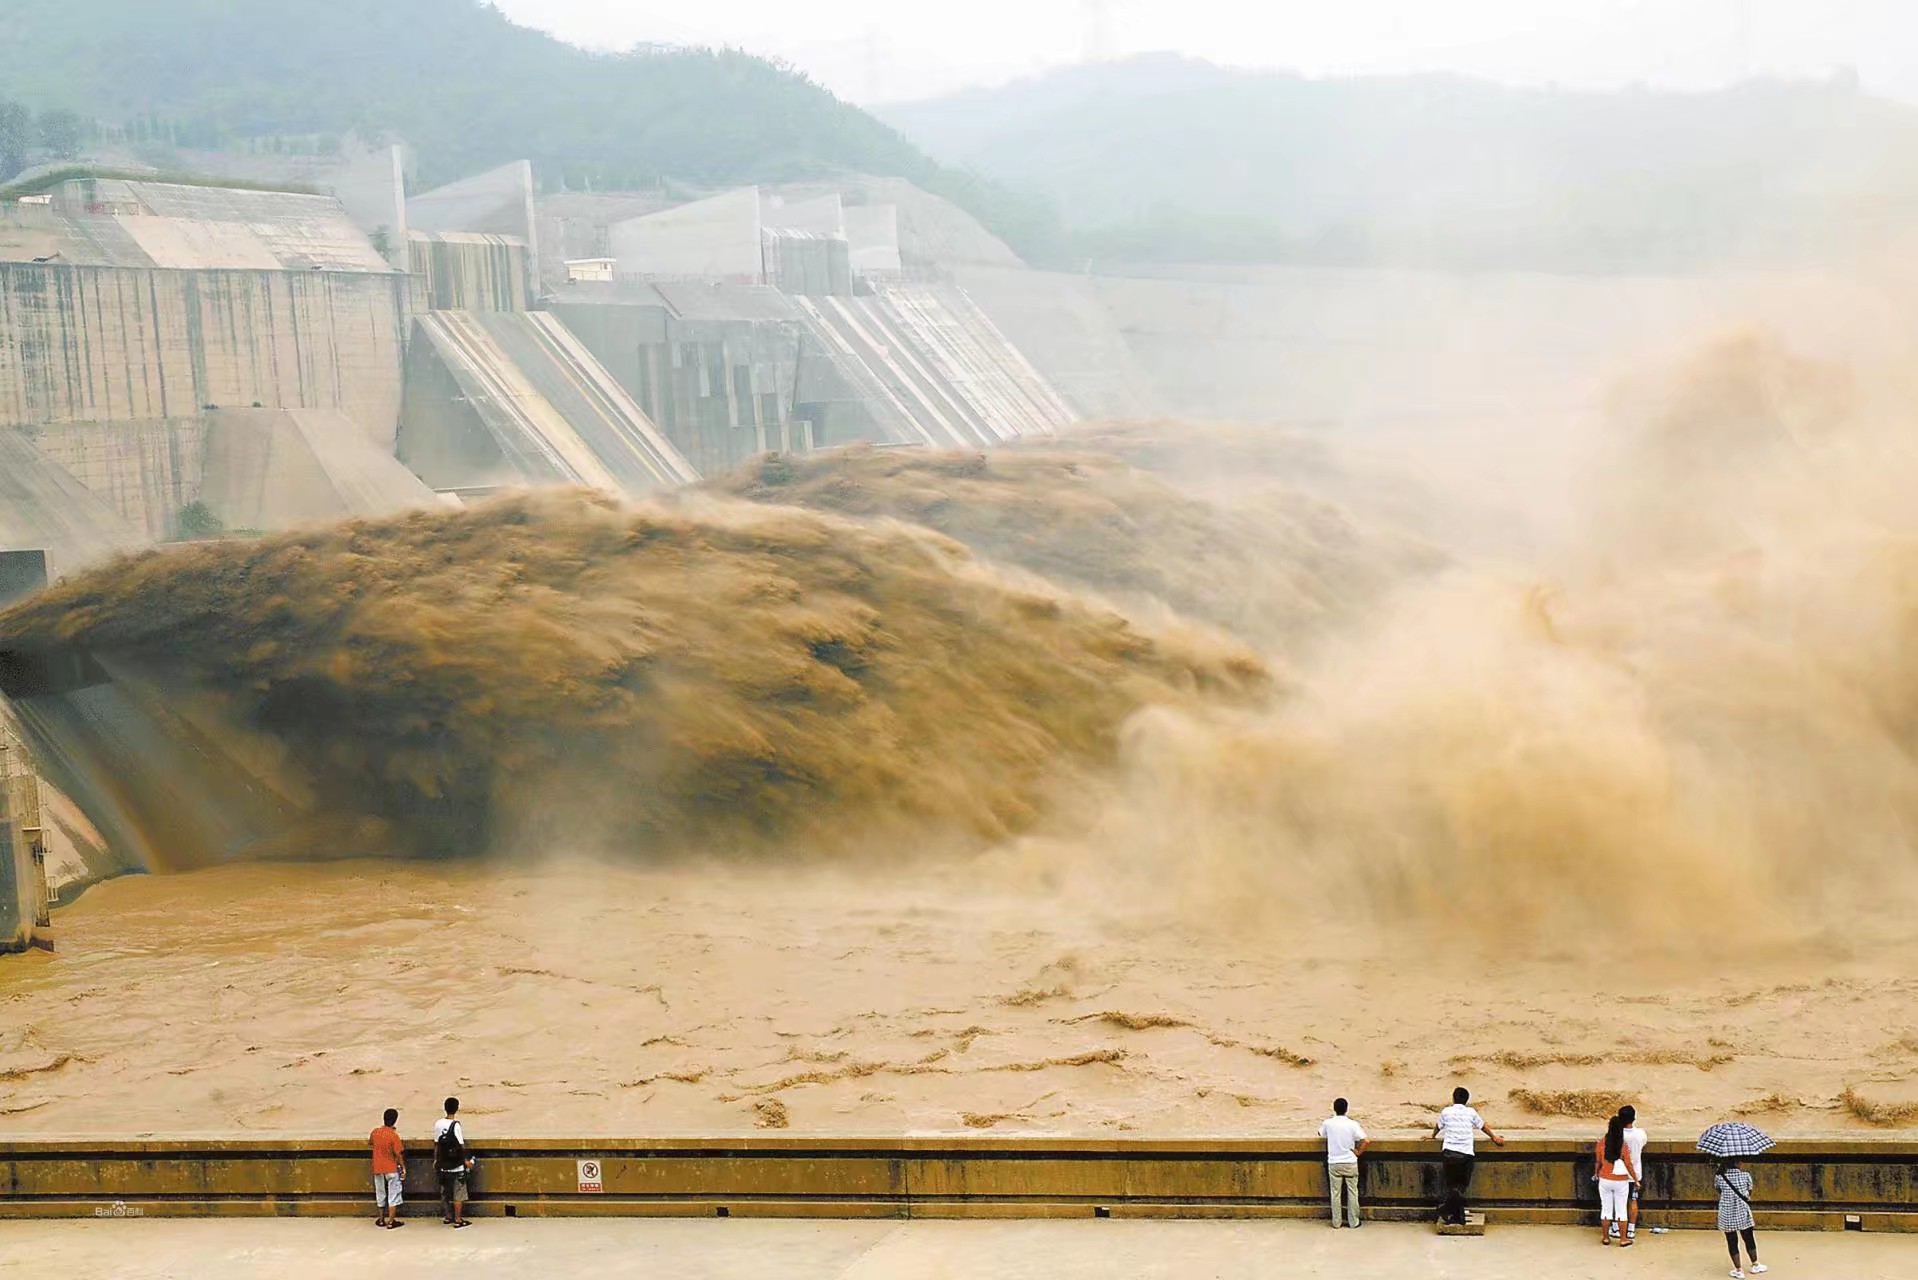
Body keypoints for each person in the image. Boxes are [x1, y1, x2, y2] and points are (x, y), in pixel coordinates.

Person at [1432, 1086, 1505, 1225]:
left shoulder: (1446, 1111)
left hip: (1449, 1152)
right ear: (1467, 1100)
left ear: (1453, 1098)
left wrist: (1432, 1136)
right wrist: (1494, 1137)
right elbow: (1482, 1126)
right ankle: (1450, 1211)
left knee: (1452, 1185)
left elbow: (1438, 1126)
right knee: (1461, 1186)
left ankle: (1452, 1213)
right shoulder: (1471, 1112)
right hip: (1465, 1154)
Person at [1318, 1097, 1370, 1228]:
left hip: (1334, 1162)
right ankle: (1354, 1222)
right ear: (1347, 1109)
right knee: (1353, 1192)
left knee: (1335, 1193)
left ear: (1334, 1109)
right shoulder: (1353, 1124)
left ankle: (1336, 1222)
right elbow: (1366, 1141)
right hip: (1350, 1162)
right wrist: (1358, 1152)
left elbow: (1320, 1133)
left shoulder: (1328, 1123)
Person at [1716, 1158, 1768, 1277]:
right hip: (1742, 1212)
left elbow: (1718, 1190)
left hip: (1726, 1213)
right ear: (1736, 1163)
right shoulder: (1746, 1175)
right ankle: (1755, 1264)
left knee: (1732, 1241)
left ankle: (1738, 1270)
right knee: (1749, 1238)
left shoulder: (1719, 1177)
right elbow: (1749, 1192)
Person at [1594, 1113, 1638, 1245]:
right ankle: (1623, 1239)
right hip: (1621, 1181)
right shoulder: (1622, 1145)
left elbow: (1598, 1162)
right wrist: (1635, 1179)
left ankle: (1606, 1237)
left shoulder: (1601, 1143)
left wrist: (1596, 1173)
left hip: (1605, 1179)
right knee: (1621, 1210)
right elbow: (1628, 1164)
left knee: (1606, 1209)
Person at [434, 1096, 476, 1228]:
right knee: (458, 1193)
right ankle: (458, 1220)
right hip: (456, 1166)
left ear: (444, 1108)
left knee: (445, 1192)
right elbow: (460, 1147)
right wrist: (466, 1162)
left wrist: (436, 1160)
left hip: (443, 1164)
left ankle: (447, 1216)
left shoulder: (438, 1124)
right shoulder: (456, 1125)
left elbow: (436, 1144)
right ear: (457, 1109)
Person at [370, 1107, 406, 1228]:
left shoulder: (375, 1132)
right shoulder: (394, 1135)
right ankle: (391, 1221)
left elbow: (371, 1142)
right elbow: (398, 1154)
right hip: (391, 1168)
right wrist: (403, 1168)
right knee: (393, 1195)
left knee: (380, 1193)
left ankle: (381, 1219)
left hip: (378, 1167)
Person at [1619, 1104, 1648, 1241]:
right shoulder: (1640, 1134)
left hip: (1618, 1174)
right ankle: (1631, 1229)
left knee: (1619, 1202)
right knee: (1633, 1200)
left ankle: (1617, 1227)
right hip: (1635, 1174)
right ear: (1634, 1118)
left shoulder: (1617, 1135)